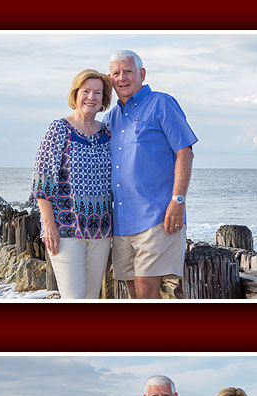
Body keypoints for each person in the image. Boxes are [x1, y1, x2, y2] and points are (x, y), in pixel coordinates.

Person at [103, 50, 198, 299]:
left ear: (142, 74)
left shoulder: (162, 104)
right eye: (116, 73)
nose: (122, 78)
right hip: (122, 223)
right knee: (134, 293)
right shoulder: (110, 118)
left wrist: (178, 200)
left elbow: (185, 153)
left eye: (128, 71)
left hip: (156, 216)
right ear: (109, 79)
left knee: (146, 292)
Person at [31, 69, 114, 299]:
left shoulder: (107, 133)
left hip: (101, 230)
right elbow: (42, 180)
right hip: (66, 230)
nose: (91, 97)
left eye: (97, 92)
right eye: (86, 91)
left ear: (104, 98)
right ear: (75, 94)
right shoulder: (59, 129)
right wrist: (49, 224)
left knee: (91, 298)